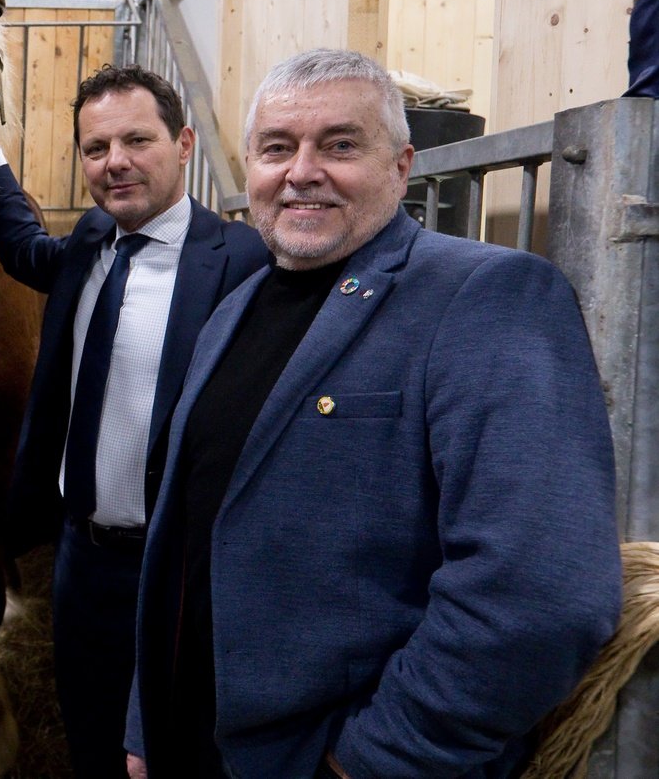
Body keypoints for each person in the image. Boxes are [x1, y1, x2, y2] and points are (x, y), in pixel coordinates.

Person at [126, 49, 622, 779]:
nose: (301, 172)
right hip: (196, 744)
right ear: (251, 168)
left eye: (339, 146)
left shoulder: (488, 295)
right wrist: (149, 721)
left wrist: (371, 758)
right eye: (276, 148)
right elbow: (187, 534)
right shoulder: (236, 309)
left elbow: (540, 596)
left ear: (401, 166)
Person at [0, 63, 268, 777]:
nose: (115, 162)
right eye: (96, 148)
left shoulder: (246, 263)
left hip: (180, 572)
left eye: (137, 140)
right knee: (91, 739)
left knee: (176, 752)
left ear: (184, 144)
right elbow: (23, 247)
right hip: (81, 563)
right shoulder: (89, 241)